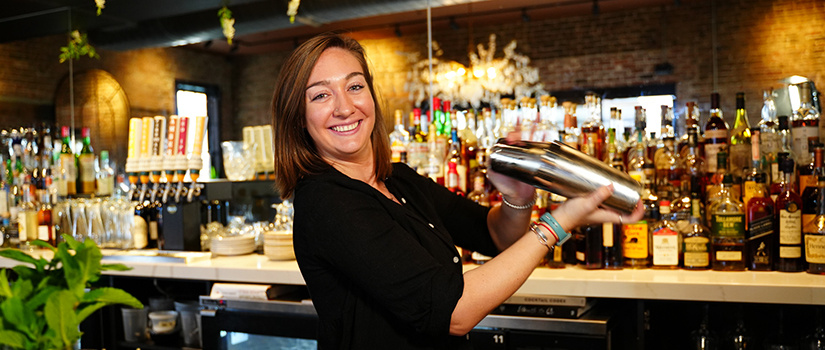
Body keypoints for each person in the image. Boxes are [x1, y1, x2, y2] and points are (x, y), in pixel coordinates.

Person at [271, 32, 643, 349]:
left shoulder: (398, 179)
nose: (344, 107)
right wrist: (558, 222)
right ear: (298, 118)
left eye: (355, 86)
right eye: (320, 95)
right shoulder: (326, 202)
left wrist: (519, 196)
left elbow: (495, 235)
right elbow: (454, 311)